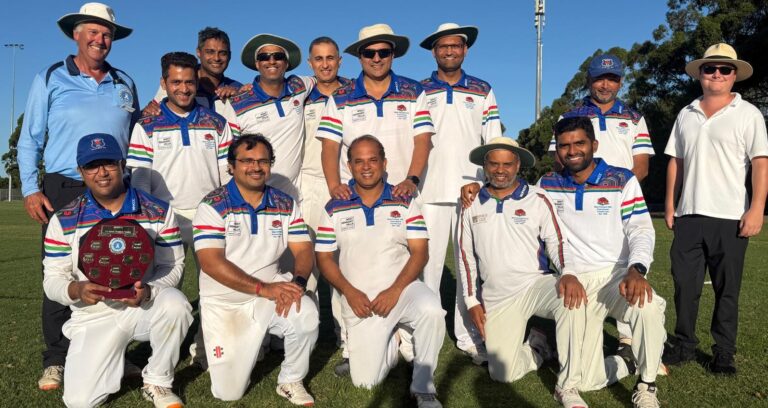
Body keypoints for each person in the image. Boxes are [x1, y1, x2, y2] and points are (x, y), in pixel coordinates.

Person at [16, 2, 140, 390]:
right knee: (62, 272)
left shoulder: (124, 82)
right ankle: (57, 359)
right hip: (65, 187)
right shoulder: (51, 76)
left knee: (118, 267)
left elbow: (138, 137)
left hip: (116, 187)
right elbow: (31, 138)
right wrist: (31, 188)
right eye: (93, 31)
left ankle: (116, 354)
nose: (100, 39)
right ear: (76, 34)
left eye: (107, 34)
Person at [43, 133, 192, 408]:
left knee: (176, 304)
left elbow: (172, 265)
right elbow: (52, 279)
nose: (101, 172)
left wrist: (149, 291)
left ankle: (157, 382)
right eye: (92, 165)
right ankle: (116, 360)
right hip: (94, 314)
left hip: (142, 307)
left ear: (122, 164)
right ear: (80, 171)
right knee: (79, 402)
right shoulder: (64, 219)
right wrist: (75, 289)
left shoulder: (158, 210)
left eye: (109, 163)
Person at [538, 117, 665, 408]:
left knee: (646, 306)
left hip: (615, 276)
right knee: (587, 381)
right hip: (575, 282)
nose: (572, 151)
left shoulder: (622, 179)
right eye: (564, 145)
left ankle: (646, 386)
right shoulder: (547, 183)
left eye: (579, 143)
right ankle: (627, 361)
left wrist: (637, 269)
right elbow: (518, 206)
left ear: (594, 144)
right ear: (557, 150)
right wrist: (475, 192)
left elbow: (641, 229)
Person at [315, 136, 445, 408]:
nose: (366, 167)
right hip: (361, 301)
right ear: (349, 166)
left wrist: (395, 290)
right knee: (366, 383)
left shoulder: (404, 200)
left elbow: (421, 252)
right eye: (358, 161)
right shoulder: (334, 205)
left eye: (373, 160)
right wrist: (349, 292)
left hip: (402, 290)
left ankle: (424, 388)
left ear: (384, 163)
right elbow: (324, 257)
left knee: (432, 310)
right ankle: (394, 340)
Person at [458, 137, 588, 408]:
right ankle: (538, 348)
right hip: (498, 296)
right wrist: (472, 301)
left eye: (507, 164)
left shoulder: (538, 198)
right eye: (494, 163)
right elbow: (465, 256)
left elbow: (556, 240)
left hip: (535, 285)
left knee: (571, 300)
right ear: (485, 165)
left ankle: (568, 386)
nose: (500, 170)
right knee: (501, 374)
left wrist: (569, 273)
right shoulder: (471, 203)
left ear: (518, 165)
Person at [663, 43, 767, 375]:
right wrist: (670, 203)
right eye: (711, 68)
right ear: (700, 74)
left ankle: (724, 352)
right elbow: (675, 162)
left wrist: (756, 209)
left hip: (731, 217)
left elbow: (760, 165)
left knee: (727, 289)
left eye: (725, 69)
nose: (717, 74)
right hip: (689, 214)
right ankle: (684, 344)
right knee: (685, 285)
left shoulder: (748, 113)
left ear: (735, 75)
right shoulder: (686, 113)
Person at [126, 51, 234, 369]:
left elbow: (228, 177)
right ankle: (159, 353)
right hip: (164, 220)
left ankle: (205, 347)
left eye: (189, 82)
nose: (184, 89)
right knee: (160, 289)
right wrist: (148, 220)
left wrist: (223, 212)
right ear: (164, 83)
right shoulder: (147, 126)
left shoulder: (216, 123)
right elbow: (141, 181)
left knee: (213, 288)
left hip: (208, 218)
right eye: (176, 82)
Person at [547, 53, 656, 364]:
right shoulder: (570, 115)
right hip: (581, 202)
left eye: (613, 79)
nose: (606, 84)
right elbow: (560, 160)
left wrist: (615, 188)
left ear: (620, 81)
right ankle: (565, 327)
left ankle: (626, 337)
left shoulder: (634, 117)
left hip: (620, 198)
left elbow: (642, 166)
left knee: (627, 262)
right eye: (599, 78)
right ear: (589, 80)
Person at [193, 134, 318, 404]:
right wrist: (263, 289)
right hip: (225, 302)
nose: (256, 167)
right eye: (247, 161)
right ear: (231, 166)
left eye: (263, 161)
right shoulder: (212, 204)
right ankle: (228, 349)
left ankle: (291, 380)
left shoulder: (285, 203)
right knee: (229, 394)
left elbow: (304, 249)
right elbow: (211, 262)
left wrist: (297, 283)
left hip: (271, 293)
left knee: (305, 312)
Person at [418, 22, 503, 364]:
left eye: (456, 46)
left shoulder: (483, 90)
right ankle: (423, 336)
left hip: (472, 192)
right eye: (443, 47)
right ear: (435, 51)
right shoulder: (420, 90)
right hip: (428, 192)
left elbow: (494, 140)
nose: (450, 51)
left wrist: (488, 185)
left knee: (470, 268)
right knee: (428, 269)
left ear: (465, 50)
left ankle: (469, 338)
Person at [317, 24, 435, 200]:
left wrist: (411, 180)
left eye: (384, 52)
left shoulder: (413, 90)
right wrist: (334, 186)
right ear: (360, 57)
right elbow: (330, 146)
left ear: (393, 54)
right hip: (355, 198)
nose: (377, 58)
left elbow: (423, 140)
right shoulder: (340, 97)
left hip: (404, 193)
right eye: (369, 53)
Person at [300, 36, 352, 371]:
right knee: (307, 268)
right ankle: (300, 337)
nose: (325, 64)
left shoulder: (352, 92)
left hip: (343, 186)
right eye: (318, 59)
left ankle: (346, 337)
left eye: (331, 58)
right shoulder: (299, 94)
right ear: (310, 63)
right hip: (308, 186)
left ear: (339, 61)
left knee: (342, 265)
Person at [220, 34, 315, 201]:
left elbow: (326, 79)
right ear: (257, 64)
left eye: (278, 56)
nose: (272, 61)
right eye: (264, 57)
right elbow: (226, 155)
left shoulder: (299, 85)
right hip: (253, 197)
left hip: (294, 197)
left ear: (286, 63)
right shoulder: (236, 103)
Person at [144, 27, 242, 114]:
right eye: (210, 52)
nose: (216, 58)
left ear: (230, 55)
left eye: (222, 53)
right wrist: (149, 109)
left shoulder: (237, 88)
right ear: (198, 52)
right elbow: (151, 110)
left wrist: (240, 97)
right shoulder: (176, 83)